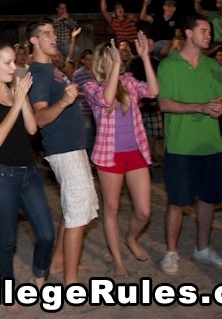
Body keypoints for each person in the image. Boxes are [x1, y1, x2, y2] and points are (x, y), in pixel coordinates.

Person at [0, 42, 54, 302]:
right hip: (0, 176)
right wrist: (17, 103)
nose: (13, 66)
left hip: (28, 172)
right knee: (8, 239)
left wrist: (22, 98)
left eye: (14, 61)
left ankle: (39, 278)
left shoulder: (15, 91)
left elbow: (32, 129)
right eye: (7, 62)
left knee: (46, 233)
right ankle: (6, 293)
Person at [26, 17, 98, 285]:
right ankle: (72, 281)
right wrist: (66, 101)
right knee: (78, 215)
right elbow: (39, 118)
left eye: (53, 33)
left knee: (74, 210)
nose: (53, 37)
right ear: (33, 40)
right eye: (45, 34)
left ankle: (57, 262)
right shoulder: (39, 73)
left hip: (73, 146)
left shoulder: (52, 68)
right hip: (63, 149)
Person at [157, 14, 222, 275]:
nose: (208, 35)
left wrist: (221, 106)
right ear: (188, 33)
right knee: (177, 202)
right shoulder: (168, 65)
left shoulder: (212, 65)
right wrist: (199, 107)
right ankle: (171, 252)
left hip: (211, 144)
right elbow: (164, 103)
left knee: (208, 200)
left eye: (210, 31)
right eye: (203, 30)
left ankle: (202, 248)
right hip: (180, 146)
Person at [82, 33, 158, 278]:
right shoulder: (90, 85)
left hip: (135, 152)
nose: (121, 58)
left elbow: (154, 92)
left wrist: (146, 58)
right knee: (112, 209)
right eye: (114, 56)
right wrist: (115, 68)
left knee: (144, 211)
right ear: (104, 61)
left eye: (120, 56)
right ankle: (118, 261)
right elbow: (106, 99)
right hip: (109, 156)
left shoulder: (129, 81)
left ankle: (131, 237)